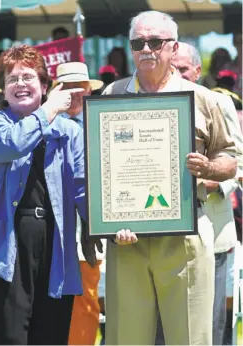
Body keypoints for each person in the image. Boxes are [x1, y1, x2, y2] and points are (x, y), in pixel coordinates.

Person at [102, 11, 237, 345]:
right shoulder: (110, 96)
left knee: (189, 339)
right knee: (126, 340)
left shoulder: (205, 99)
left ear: (173, 47)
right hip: (125, 238)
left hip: (185, 236)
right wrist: (105, 221)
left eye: (155, 41)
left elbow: (230, 161)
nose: (146, 49)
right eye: (138, 42)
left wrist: (207, 168)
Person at [0, 44, 86, 345]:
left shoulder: (70, 130)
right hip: (4, 249)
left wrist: (109, 225)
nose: (20, 84)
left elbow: (83, 188)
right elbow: (13, 145)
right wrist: (48, 110)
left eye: (28, 77)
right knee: (7, 337)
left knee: (51, 337)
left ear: (45, 85)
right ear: (4, 90)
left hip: (56, 248)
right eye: (12, 79)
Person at [172, 41, 243, 346]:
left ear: (198, 71)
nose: (176, 73)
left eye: (183, 68)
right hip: (164, 236)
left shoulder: (218, 103)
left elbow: (237, 160)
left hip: (212, 232)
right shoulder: (148, 105)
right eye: (171, 67)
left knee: (209, 328)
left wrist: (212, 180)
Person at [54, 61, 105, 345]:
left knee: (87, 303)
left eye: (80, 88)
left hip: (90, 228)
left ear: (89, 90)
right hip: (51, 229)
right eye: (68, 88)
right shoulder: (44, 124)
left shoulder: (102, 125)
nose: (75, 94)